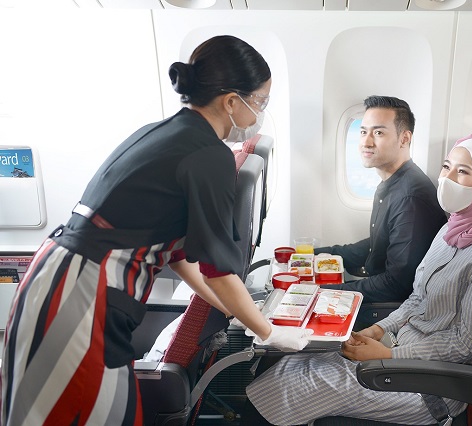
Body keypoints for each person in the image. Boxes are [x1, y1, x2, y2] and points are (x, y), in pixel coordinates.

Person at [1, 35, 310, 426]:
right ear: (232, 102)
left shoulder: (168, 133)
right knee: (81, 411)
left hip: (62, 275)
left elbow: (180, 257)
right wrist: (268, 332)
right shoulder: (210, 155)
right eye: (260, 102)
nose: (259, 114)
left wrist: (233, 311)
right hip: (82, 292)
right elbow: (219, 271)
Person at [243, 134, 472, 425]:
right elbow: (417, 299)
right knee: (293, 362)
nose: (447, 178)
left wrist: (390, 355)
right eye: (446, 166)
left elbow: (467, 345)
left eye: (463, 172)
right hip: (399, 354)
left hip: (430, 385)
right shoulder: (452, 230)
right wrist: (378, 330)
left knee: (294, 384)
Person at [315, 95, 446, 303]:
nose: (366, 142)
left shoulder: (411, 198)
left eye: (378, 133)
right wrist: (322, 254)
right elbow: (378, 243)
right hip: (380, 291)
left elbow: (396, 285)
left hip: (391, 306)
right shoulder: (393, 182)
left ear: (404, 139)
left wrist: (322, 293)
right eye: (363, 132)